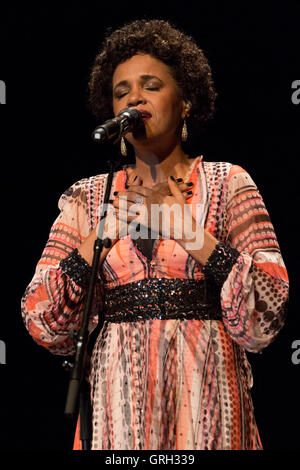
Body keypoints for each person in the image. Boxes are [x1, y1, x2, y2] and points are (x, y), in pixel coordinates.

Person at [21, 19, 289, 450]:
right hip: (116, 412)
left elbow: (267, 316)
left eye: (151, 86)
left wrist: (187, 231)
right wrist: (98, 238)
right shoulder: (88, 197)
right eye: (121, 91)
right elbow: (41, 319)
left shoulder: (229, 183)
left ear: (185, 102)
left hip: (208, 402)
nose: (134, 99)